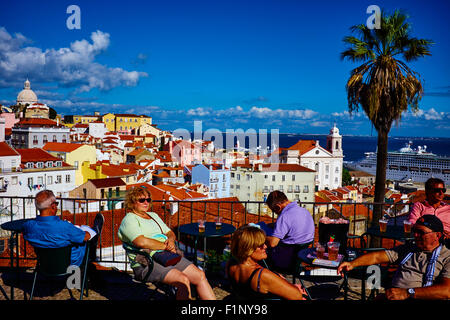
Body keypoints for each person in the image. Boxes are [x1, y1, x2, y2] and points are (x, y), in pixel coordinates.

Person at [117, 186, 216, 300]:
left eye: (148, 200)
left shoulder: (153, 216)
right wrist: (166, 246)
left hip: (166, 256)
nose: (146, 203)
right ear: (132, 202)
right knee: (182, 280)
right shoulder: (129, 219)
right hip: (146, 263)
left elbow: (169, 232)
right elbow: (141, 242)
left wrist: (171, 241)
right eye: (141, 200)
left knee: (200, 276)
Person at [337, 215, 450, 300]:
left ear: (437, 235)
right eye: (414, 231)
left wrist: (407, 293)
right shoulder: (409, 249)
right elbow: (377, 257)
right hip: (393, 295)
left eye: (421, 232)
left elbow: (446, 290)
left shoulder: (447, 257)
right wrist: (352, 264)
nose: (415, 235)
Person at [23, 190, 102, 266]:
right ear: (53, 206)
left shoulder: (28, 226)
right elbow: (86, 236)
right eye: (56, 204)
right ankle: (95, 235)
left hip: (45, 265)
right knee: (89, 238)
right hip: (70, 264)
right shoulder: (64, 226)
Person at [227, 225, 307, 300]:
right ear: (248, 249)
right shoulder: (261, 275)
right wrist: (296, 289)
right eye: (260, 245)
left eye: (264, 243)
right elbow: (297, 296)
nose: (265, 246)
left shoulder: (231, 264)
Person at [260, 190, 315, 270]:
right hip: (299, 257)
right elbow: (291, 226)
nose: (275, 213)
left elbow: (273, 243)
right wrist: (273, 225)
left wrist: (259, 236)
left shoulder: (284, 216)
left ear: (277, 207)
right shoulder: (304, 211)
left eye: (274, 210)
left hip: (284, 259)